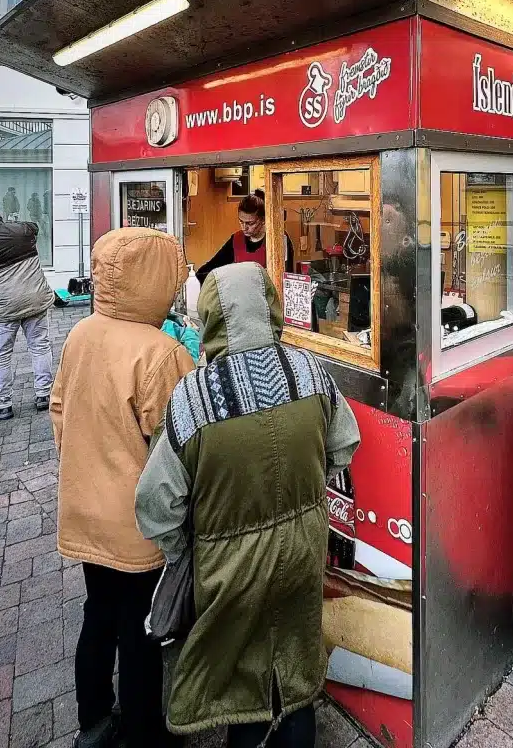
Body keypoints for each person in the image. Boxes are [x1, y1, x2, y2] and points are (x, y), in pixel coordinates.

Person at [135, 261, 361, 746]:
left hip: (227, 566)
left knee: (241, 682)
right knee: (296, 673)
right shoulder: (310, 371)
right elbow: (345, 446)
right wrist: (305, 491)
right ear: (271, 308)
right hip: (303, 550)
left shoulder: (193, 398)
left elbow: (155, 505)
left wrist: (186, 547)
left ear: (210, 316)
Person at [51, 227, 195, 747]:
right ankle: (143, 731)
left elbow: (59, 412)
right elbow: (181, 444)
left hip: (84, 509)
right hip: (137, 524)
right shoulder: (161, 353)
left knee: (98, 613)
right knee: (141, 629)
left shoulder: (80, 333)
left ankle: (92, 718)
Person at [0, 201, 55, 420]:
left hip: (1, 308)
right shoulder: (21, 230)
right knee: (40, 346)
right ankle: (45, 394)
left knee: (0, 356)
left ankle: (3, 404)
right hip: (34, 299)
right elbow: (34, 227)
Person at [196, 189, 293, 286]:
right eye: (241, 221)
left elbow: (287, 276)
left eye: (250, 223)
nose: (244, 228)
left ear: (263, 220)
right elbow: (210, 268)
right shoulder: (236, 239)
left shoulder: (278, 238)